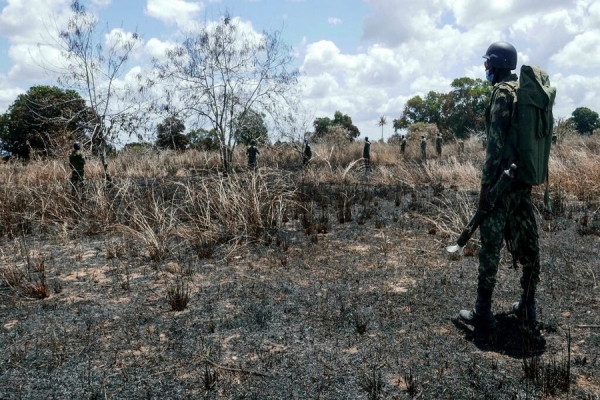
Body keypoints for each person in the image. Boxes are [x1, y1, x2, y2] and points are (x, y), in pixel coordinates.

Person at [459, 41, 541, 330]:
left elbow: (494, 145)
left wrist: (485, 188)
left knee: (491, 246)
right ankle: (528, 306)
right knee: (529, 243)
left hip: (502, 184)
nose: (486, 69)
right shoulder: (524, 93)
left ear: (495, 65)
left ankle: (483, 310)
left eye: (487, 64)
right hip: (523, 182)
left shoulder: (501, 94)